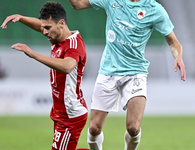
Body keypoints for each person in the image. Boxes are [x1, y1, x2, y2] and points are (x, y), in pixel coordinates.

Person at [67, 0, 186, 150]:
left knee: (133, 128)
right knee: (94, 129)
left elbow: (174, 43)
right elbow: (77, 4)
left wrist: (178, 56)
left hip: (135, 73)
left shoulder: (154, 9)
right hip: (108, 72)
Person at [1, 2, 88, 150]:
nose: (44, 32)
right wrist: (21, 18)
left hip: (70, 115)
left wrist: (33, 54)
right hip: (60, 111)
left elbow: (67, 66)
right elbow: (40, 26)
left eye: (47, 28)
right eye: (44, 28)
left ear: (61, 23)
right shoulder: (57, 36)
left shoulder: (74, 45)